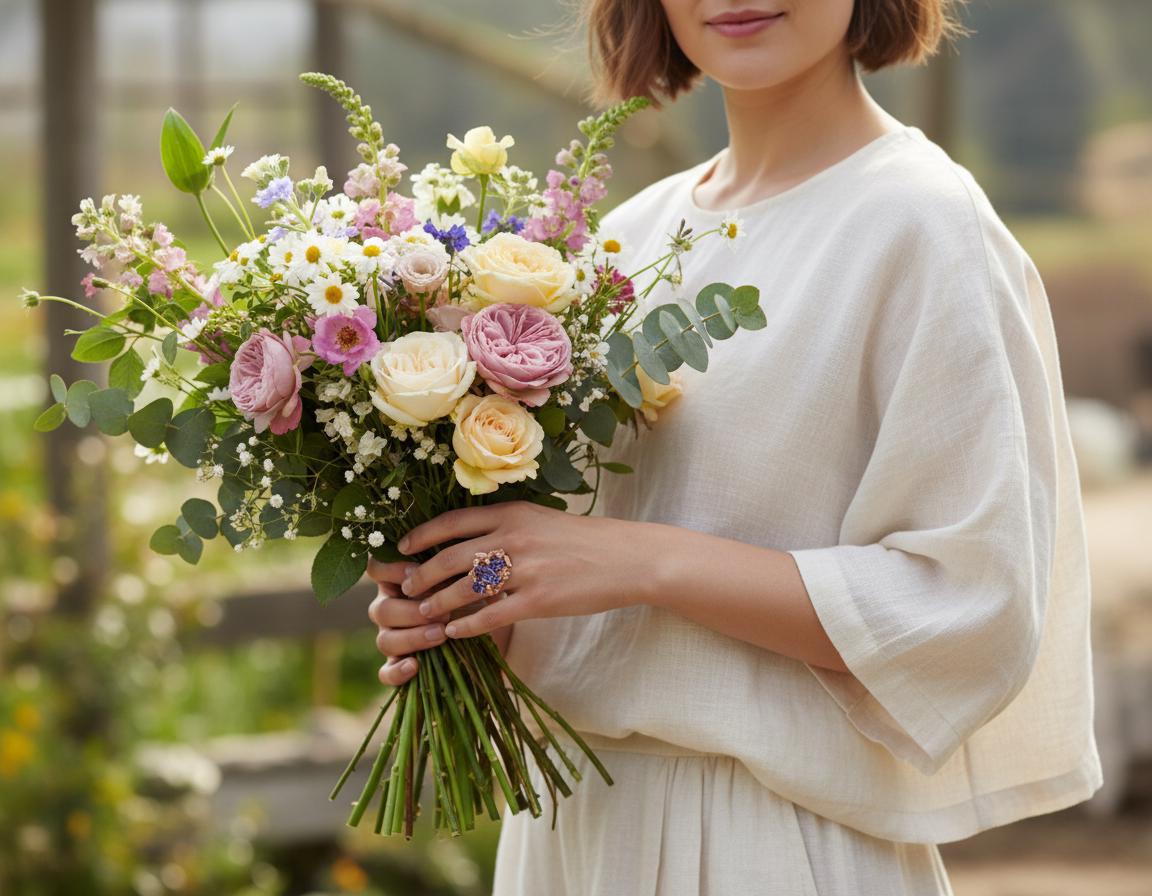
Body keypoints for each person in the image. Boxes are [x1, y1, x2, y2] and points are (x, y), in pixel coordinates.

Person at [367, 1, 1103, 892]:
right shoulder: (625, 241)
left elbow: (971, 605)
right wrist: (471, 599)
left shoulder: (924, 225)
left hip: (775, 842)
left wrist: (644, 560)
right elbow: (581, 609)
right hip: (575, 837)